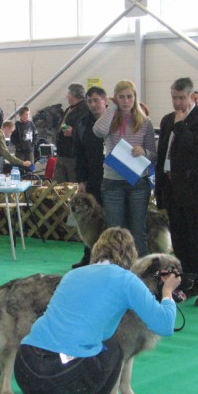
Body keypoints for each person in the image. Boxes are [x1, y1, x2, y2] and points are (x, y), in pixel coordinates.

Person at [6, 227, 180, 394]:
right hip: (64, 370)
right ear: (130, 255)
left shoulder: (73, 275)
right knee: (114, 347)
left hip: (26, 363)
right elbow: (165, 325)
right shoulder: (125, 279)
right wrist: (168, 292)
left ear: (97, 249)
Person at [155, 77, 198, 307]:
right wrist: (159, 187)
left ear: (192, 97)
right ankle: (185, 283)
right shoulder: (166, 120)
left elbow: (196, 145)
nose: (177, 102)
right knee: (180, 241)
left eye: (182, 98)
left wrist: (181, 125)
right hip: (172, 188)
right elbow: (162, 155)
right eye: (174, 97)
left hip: (196, 191)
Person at [93, 80, 156, 258]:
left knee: (138, 231)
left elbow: (154, 154)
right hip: (112, 181)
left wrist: (144, 151)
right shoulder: (109, 118)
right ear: (115, 98)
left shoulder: (145, 122)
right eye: (121, 97)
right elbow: (98, 131)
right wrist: (111, 108)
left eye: (130, 96)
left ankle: (141, 270)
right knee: (114, 232)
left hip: (138, 181)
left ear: (135, 98)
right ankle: (115, 268)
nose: (126, 101)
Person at [72, 86, 107, 268]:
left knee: (111, 220)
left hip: (115, 178)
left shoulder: (115, 120)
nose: (93, 104)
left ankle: (109, 258)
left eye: (96, 100)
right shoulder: (82, 123)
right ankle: (88, 257)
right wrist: (81, 180)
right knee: (90, 221)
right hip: (92, 178)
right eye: (90, 101)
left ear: (105, 100)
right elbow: (79, 154)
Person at [54, 83, 89, 183]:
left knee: (73, 186)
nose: (66, 96)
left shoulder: (85, 110)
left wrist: (74, 132)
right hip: (62, 154)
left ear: (73, 95)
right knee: (57, 186)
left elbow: (88, 132)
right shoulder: (69, 108)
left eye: (68, 93)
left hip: (73, 156)